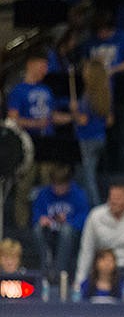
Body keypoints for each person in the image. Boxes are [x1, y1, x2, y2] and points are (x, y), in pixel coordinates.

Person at [7, 49, 74, 228]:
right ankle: (21, 226)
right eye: (42, 66)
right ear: (31, 64)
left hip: (47, 144)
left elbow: (51, 116)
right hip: (27, 145)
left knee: (48, 184)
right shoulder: (18, 91)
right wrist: (35, 124)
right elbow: (12, 119)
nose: (45, 70)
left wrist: (73, 117)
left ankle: (46, 224)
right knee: (24, 187)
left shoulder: (46, 90)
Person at [31, 162, 89, 283]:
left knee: (66, 231)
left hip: (71, 235)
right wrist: (42, 219)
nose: (58, 189)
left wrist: (68, 220)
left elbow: (83, 218)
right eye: (55, 185)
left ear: (68, 183)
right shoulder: (43, 194)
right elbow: (36, 213)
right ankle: (46, 263)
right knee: (37, 229)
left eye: (61, 186)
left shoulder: (78, 194)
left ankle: (59, 271)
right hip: (49, 231)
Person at [71, 58, 113, 206]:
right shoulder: (105, 93)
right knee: (85, 176)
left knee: (88, 178)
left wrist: (74, 110)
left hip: (87, 139)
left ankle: (96, 208)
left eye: (86, 70)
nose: (83, 73)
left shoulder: (88, 96)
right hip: (99, 137)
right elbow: (109, 121)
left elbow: (82, 120)